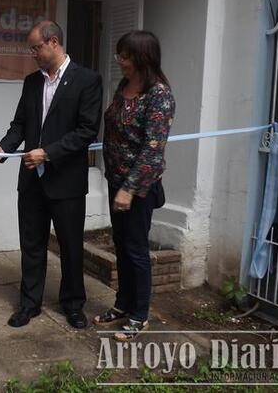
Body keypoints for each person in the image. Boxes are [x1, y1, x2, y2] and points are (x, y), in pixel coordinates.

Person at [0, 20, 102, 329]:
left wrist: (48, 152)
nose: (33, 54)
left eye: (36, 48)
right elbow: (20, 125)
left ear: (53, 42)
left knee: (70, 246)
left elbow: (86, 131)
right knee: (32, 245)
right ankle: (29, 304)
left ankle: (74, 305)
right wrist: (3, 147)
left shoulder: (87, 80)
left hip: (67, 181)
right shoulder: (32, 82)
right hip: (31, 180)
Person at [94, 30, 175, 341]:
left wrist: (129, 188)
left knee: (136, 249)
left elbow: (153, 149)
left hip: (138, 188)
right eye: (119, 54)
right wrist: (115, 182)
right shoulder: (124, 86)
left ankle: (140, 315)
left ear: (143, 57)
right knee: (120, 246)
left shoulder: (159, 95)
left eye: (125, 56)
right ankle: (122, 304)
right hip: (116, 182)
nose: (120, 61)